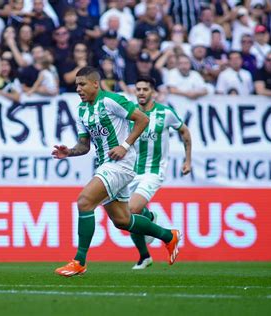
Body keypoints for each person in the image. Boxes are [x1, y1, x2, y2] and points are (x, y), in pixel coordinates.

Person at [52, 67, 181, 276]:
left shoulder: (112, 100)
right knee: (123, 220)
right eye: (76, 85)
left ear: (95, 83)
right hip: (105, 164)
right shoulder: (82, 110)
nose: (78, 89)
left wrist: (125, 145)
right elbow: (84, 146)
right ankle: (169, 236)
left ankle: (79, 261)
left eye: (82, 84)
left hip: (121, 164)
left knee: (85, 201)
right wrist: (70, 152)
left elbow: (143, 119)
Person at [129, 77, 192, 269]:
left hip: (153, 172)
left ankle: (165, 233)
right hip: (130, 172)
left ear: (153, 92)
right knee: (126, 218)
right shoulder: (129, 112)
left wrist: (187, 160)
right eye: (138, 89)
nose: (141, 92)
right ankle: (144, 256)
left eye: (145, 89)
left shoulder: (165, 113)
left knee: (132, 210)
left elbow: (185, 132)